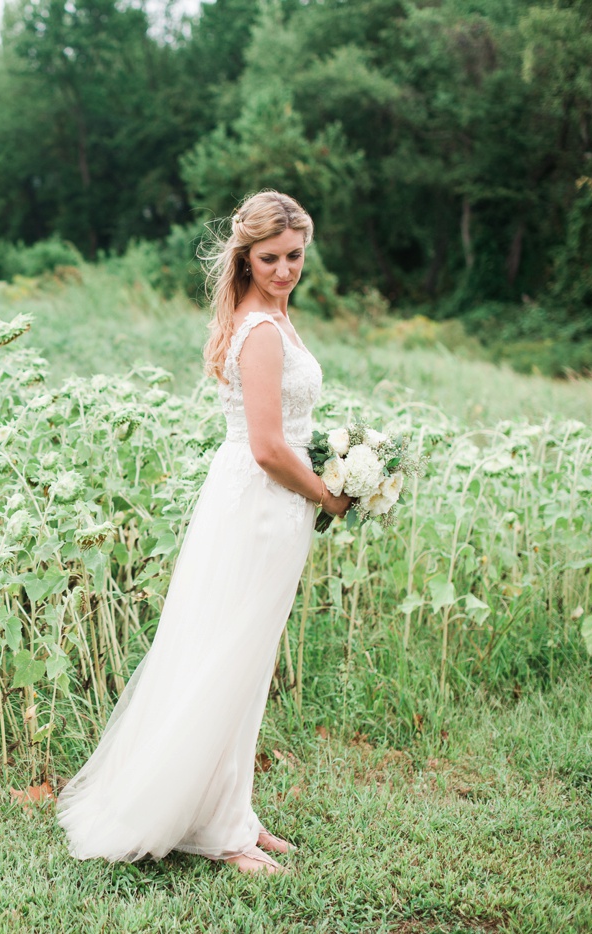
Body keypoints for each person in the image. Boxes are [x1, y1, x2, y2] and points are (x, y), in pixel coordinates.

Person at [56, 190, 351, 874]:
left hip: (269, 505)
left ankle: (233, 813)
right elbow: (270, 448)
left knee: (247, 663)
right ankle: (221, 833)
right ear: (246, 258)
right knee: (231, 658)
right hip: (261, 505)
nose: (285, 270)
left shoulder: (275, 315)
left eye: (295, 256)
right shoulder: (261, 330)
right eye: (271, 259)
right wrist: (329, 497)